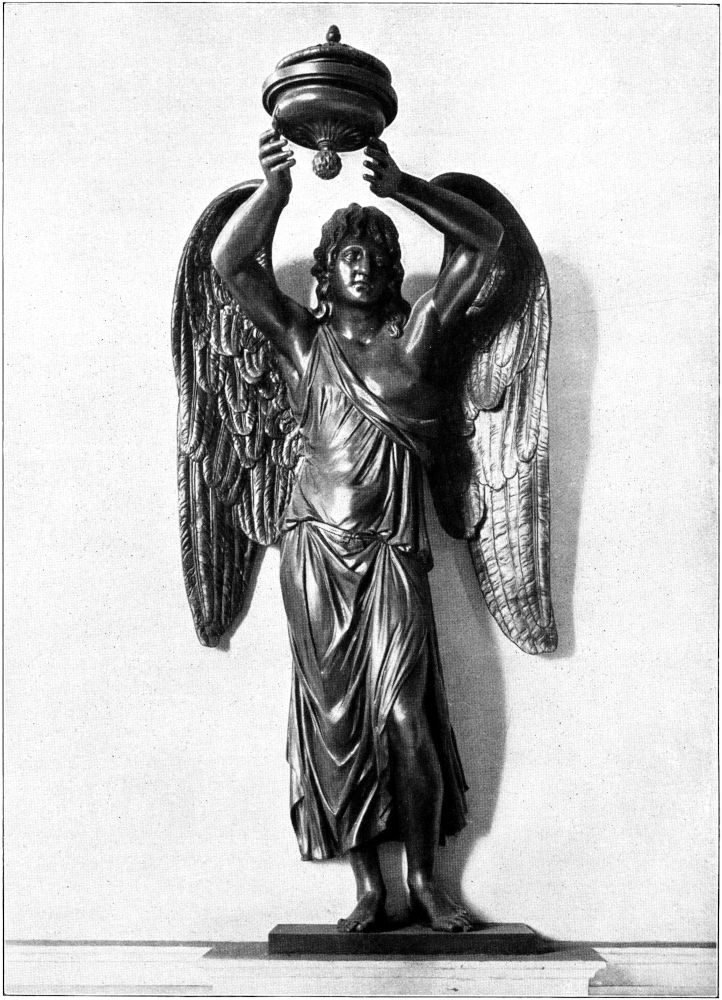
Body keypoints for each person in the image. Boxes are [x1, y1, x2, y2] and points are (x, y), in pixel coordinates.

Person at [211, 130, 504, 932]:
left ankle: (427, 881)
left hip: (391, 551)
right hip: (314, 549)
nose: (363, 263)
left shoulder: (416, 339)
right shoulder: (304, 344)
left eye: (375, 252)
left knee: (405, 716)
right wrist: (273, 191)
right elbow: (232, 265)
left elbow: (486, 244)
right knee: (339, 725)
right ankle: (370, 889)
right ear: (326, 272)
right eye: (348, 252)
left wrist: (401, 186)